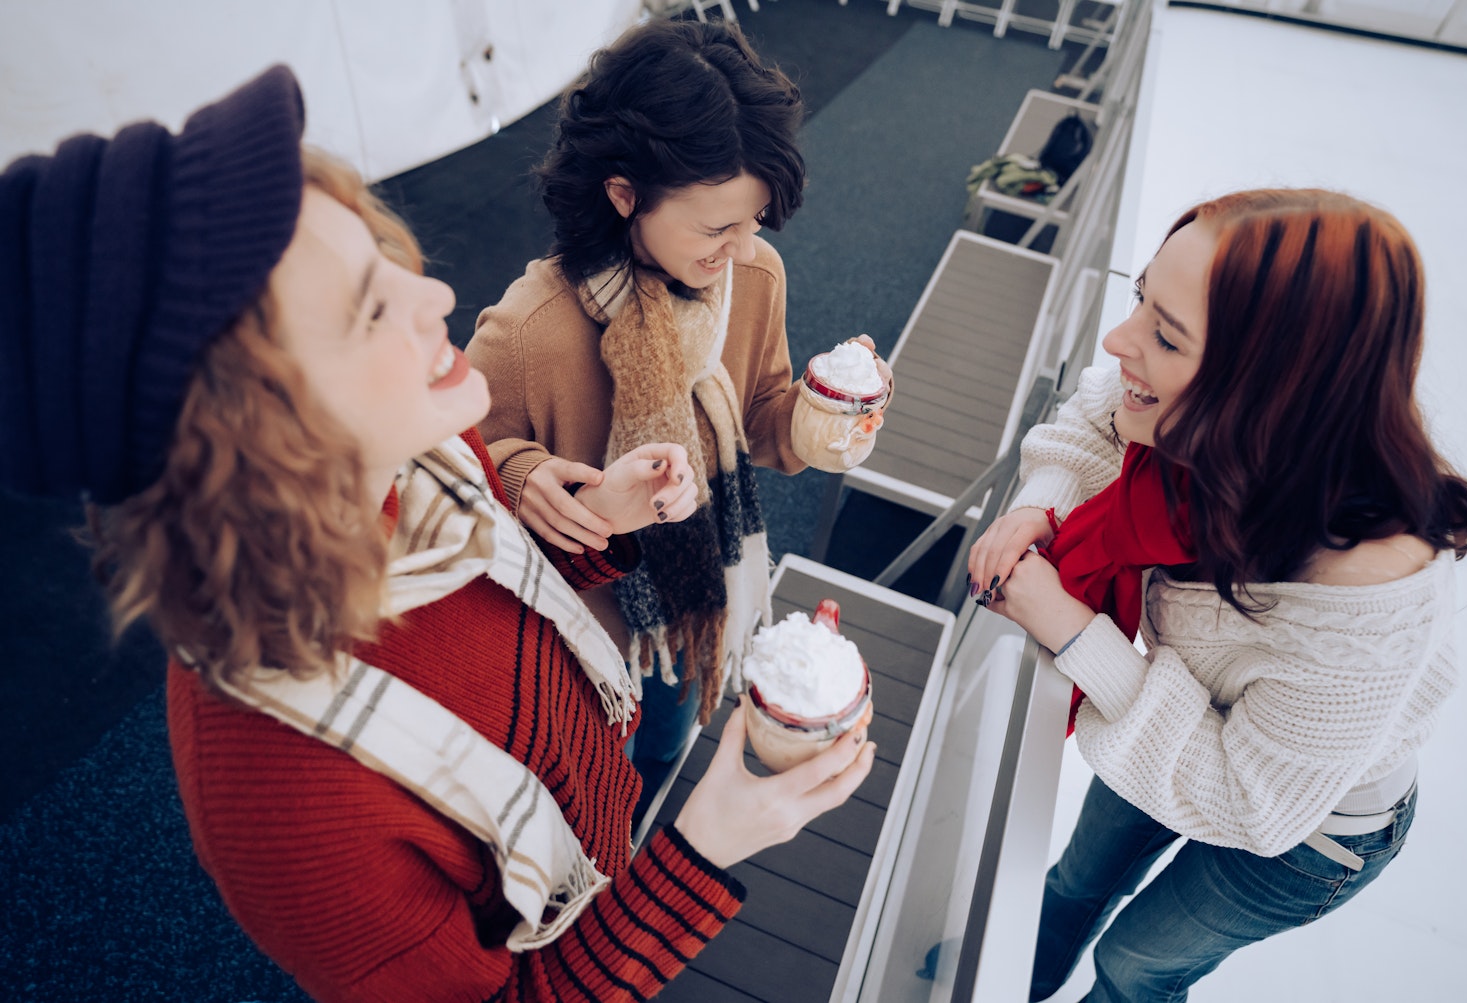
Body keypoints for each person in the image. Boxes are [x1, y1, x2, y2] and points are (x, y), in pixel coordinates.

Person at [0, 65, 875, 1002]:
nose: (437, 295)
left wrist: (601, 529)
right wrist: (709, 842)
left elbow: (490, 594)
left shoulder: (426, 449)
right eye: (369, 308)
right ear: (242, 430)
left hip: (595, 792)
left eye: (385, 264)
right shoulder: (283, 799)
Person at [966, 188, 1467, 1002]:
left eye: (1165, 336)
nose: (1117, 340)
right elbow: (1102, 409)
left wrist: (1072, 629)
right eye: (1141, 299)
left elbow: (1252, 803)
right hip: (1187, 707)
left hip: (1312, 826)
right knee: (1074, 881)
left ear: (1274, 387)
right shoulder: (1243, 436)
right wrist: (1049, 499)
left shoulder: (1370, 601)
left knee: (1136, 965)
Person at [466, 17, 890, 819]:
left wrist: (817, 421)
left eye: (754, 220)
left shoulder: (754, 276)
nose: (738, 247)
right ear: (624, 194)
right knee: (578, 781)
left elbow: (761, 411)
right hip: (577, 630)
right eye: (715, 226)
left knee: (662, 744)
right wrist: (522, 478)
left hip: (698, 594)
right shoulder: (530, 329)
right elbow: (449, 470)